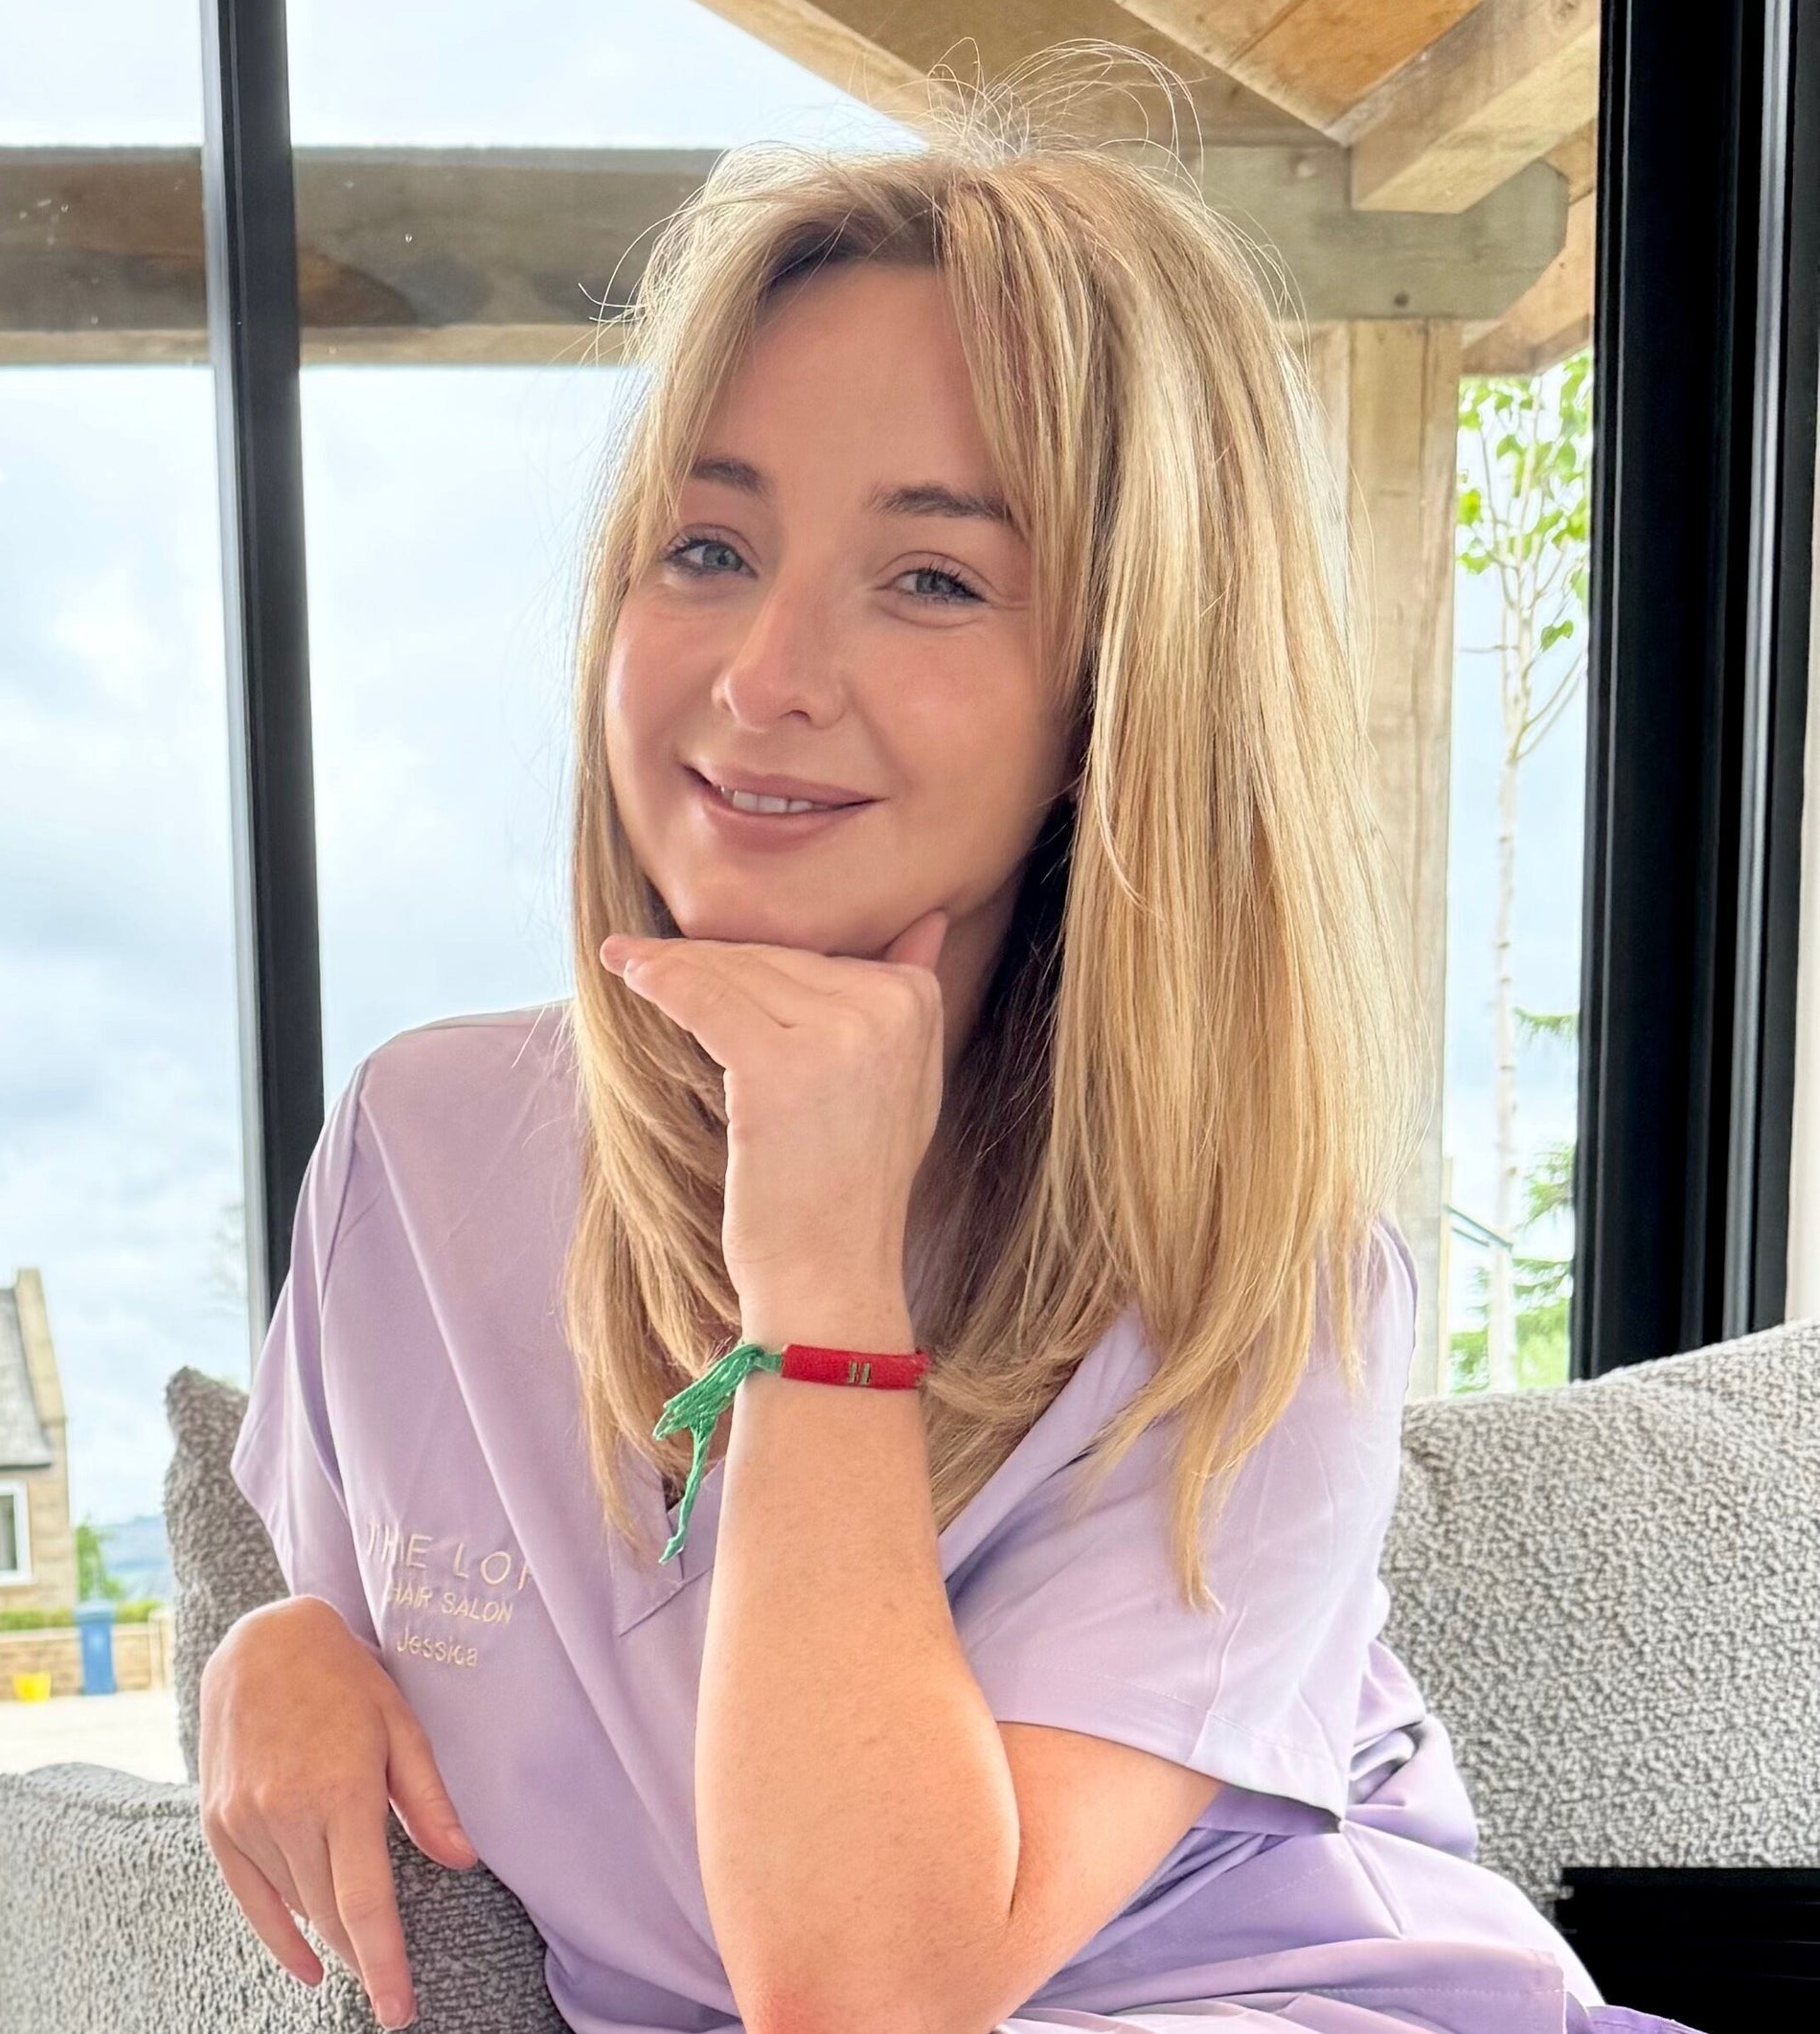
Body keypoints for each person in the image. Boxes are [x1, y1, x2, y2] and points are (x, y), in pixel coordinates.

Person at [195, 83, 1689, 2034]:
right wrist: (273, 1647)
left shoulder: (1260, 1282)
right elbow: (343, 1562)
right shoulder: (427, 1147)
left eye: (933, 579)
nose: (763, 677)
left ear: (1118, 694)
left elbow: (869, 2000)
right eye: (708, 547)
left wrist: (821, 1278)